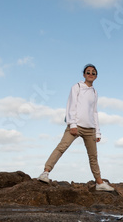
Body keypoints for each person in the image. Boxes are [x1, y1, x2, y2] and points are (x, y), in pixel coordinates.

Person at [37, 63, 115, 191]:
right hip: (76, 126)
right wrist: (72, 124)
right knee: (61, 147)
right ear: (84, 74)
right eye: (88, 72)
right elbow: (71, 105)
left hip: (90, 129)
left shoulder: (95, 92)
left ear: (96, 76)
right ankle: (45, 172)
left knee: (93, 157)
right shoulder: (77, 87)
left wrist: (98, 132)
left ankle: (100, 183)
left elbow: (94, 112)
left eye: (93, 73)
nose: (91, 74)